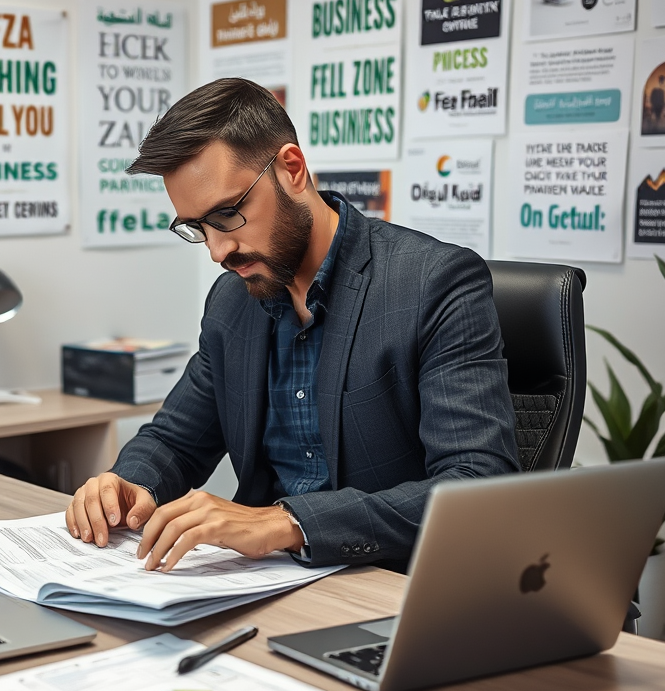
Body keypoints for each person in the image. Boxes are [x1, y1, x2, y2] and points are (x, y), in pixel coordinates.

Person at [66, 78, 519, 573]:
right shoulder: (231, 301)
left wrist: (287, 523)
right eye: (198, 228)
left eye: (228, 214)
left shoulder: (433, 283)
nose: (218, 251)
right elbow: (176, 439)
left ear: (292, 169)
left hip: (390, 586)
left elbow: (477, 485)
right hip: (260, 589)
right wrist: (129, 483)